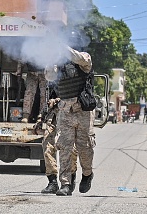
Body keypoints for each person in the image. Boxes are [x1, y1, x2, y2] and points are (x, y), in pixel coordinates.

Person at [53, 45, 96, 196]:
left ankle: (87, 174)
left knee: (84, 147)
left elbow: (76, 57)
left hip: (82, 110)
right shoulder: (59, 62)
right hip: (65, 111)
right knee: (65, 147)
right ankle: (65, 183)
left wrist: (59, 43)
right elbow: (49, 76)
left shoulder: (85, 58)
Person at [35, 78, 79, 194]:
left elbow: (76, 97)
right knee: (47, 147)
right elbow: (48, 101)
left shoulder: (73, 76)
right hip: (53, 117)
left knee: (70, 149)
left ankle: (69, 179)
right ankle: (52, 182)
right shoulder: (52, 80)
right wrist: (40, 118)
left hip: (68, 116)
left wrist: (59, 100)